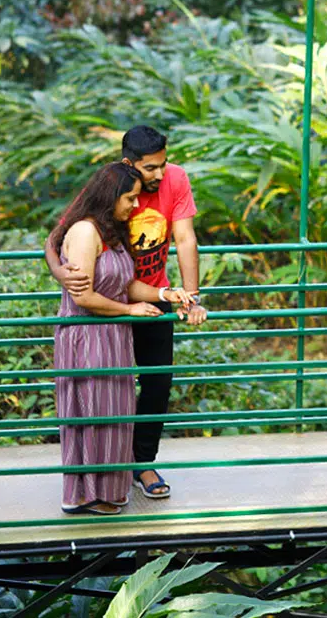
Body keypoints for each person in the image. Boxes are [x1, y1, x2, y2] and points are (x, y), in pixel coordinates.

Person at [45, 125, 206, 500]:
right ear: (129, 164)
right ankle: (98, 476)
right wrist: (59, 272)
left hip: (152, 291)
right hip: (112, 296)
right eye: (151, 168)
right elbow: (57, 236)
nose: (160, 175)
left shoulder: (175, 179)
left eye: (163, 165)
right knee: (109, 387)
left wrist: (190, 297)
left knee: (157, 381)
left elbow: (185, 238)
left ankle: (143, 463)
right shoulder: (110, 187)